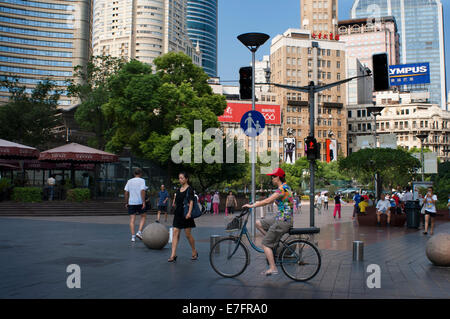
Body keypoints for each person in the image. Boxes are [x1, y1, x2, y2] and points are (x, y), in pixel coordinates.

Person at [242, 167, 294, 276]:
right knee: (258, 223)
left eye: (273, 177)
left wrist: (252, 205)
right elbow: (276, 201)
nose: (272, 179)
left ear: (278, 177)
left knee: (265, 244)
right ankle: (273, 242)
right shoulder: (286, 187)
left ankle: (273, 267)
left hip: (282, 221)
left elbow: (267, 201)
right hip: (280, 218)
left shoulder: (282, 189)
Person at [168, 172, 198, 262]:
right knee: (175, 232)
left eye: (181, 178)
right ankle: (173, 255)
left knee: (188, 235)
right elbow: (176, 201)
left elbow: (191, 202)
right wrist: (174, 202)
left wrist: (189, 213)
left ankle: (194, 251)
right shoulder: (178, 189)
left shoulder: (190, 189)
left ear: (186, 179)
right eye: (179, 178)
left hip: (186, 214)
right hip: (178, 213)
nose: (180, 180)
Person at [124, 168, 147, 242]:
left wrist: (126, 202)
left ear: (134, 174)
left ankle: (133, 237)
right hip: (139, 202)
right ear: (140, 174)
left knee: (132, 220)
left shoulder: (129, 181)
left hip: (131, 202)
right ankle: (139, 232)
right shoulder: (142, 180)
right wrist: (143, 202)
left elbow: (126, 192)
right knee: (143, 216)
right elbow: (142, 191)